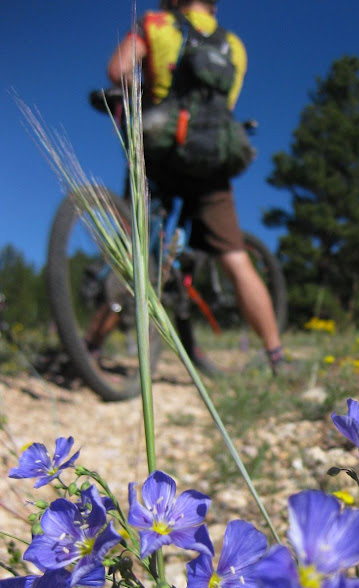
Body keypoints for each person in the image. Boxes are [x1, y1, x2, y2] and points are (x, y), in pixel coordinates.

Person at [107, 0, 286, 374]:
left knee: (134, 253)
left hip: (158, 150)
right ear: (214, 6)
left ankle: (89, 349)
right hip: (209, 160)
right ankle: (276, 358)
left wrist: (144, 96)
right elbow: (227, 104)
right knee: (235, 257)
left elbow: (118, 70)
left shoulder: (156, 23)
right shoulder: (233, 45)